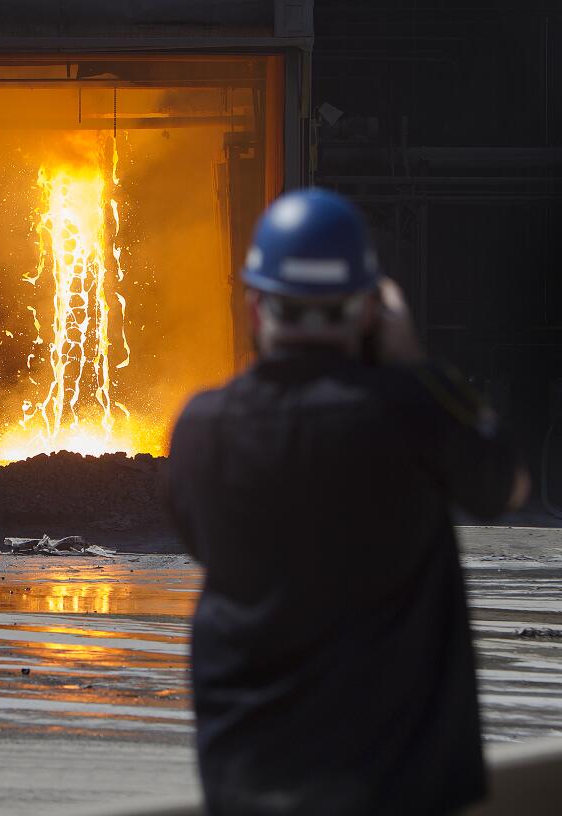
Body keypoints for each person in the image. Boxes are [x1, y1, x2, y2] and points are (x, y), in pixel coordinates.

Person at [168, 188, 530, 815]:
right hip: (390, 783)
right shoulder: (408, 412)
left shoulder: (203, 427)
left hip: (249, 777)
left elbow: (201, 541)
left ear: (256, 310)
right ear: (367, 312)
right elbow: (506, 483)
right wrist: (414, 364)